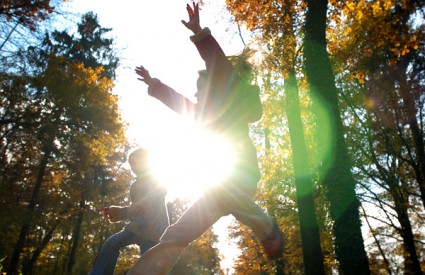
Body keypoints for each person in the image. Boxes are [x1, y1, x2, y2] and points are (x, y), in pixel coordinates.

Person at [129, 3, 284, 274]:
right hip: (218, 188)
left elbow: (216, 62)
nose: (197, 93)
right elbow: (178, 102)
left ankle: (267, 228)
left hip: (240, 175)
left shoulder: (228, 99)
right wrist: (154, 84)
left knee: (220, 189)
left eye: (201, 88)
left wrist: (200, 33)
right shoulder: (201, 114)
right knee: (176, 234)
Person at [89, 148, 169, 275]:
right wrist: (118, 212)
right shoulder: (135, 186)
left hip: (154, 231)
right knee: (112, 243)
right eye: (131, 164)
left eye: (135, 162)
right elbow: (135, 210)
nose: (132, 167)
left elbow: (158, 193)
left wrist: (133, 208)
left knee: (149, 267)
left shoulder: (156, 179)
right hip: (139, 227)